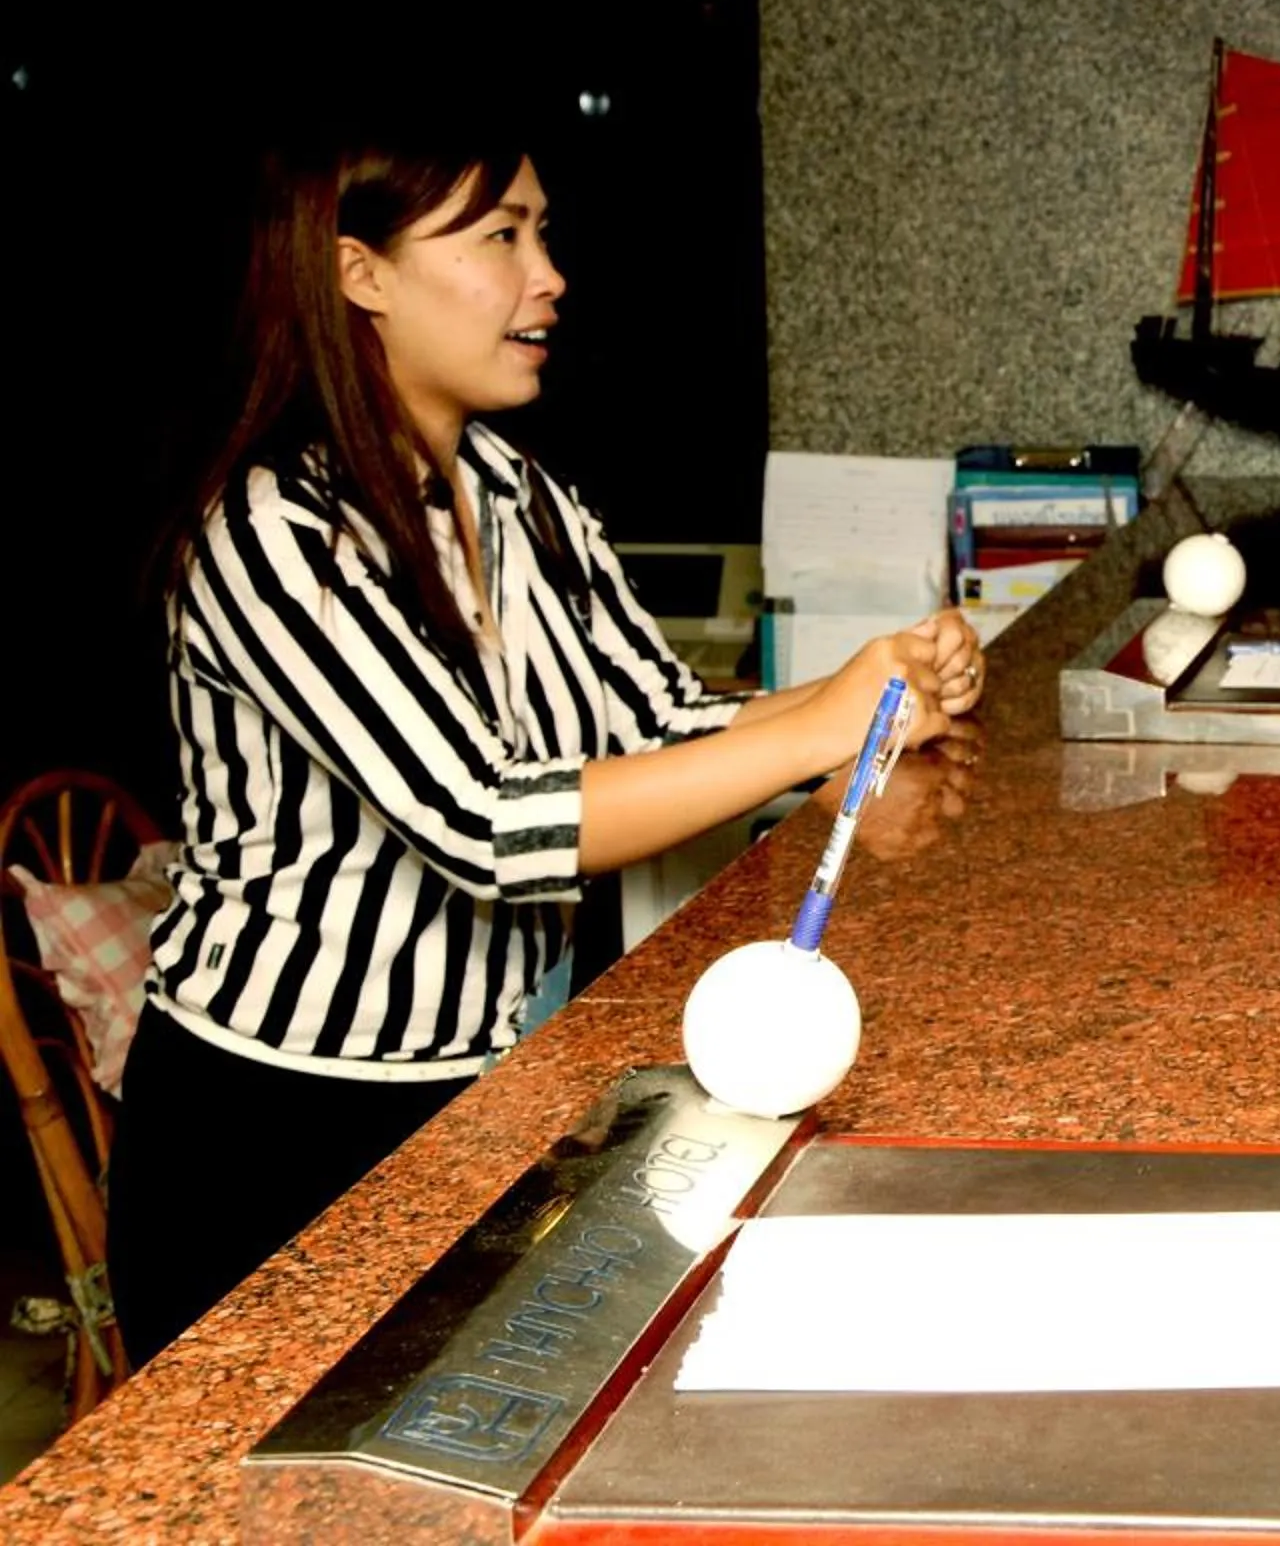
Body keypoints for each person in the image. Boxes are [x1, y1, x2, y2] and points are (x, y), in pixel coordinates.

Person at [107, 123, 986, 1364]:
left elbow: (667, 724)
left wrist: (876, 689)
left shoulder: (528, 499)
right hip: (277, 1134)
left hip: (485, 1090)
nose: (549, 273)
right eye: (501, 236)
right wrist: (828, 720)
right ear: (360, 272)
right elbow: (490, 822)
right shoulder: (274, 529)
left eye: (544, 232)